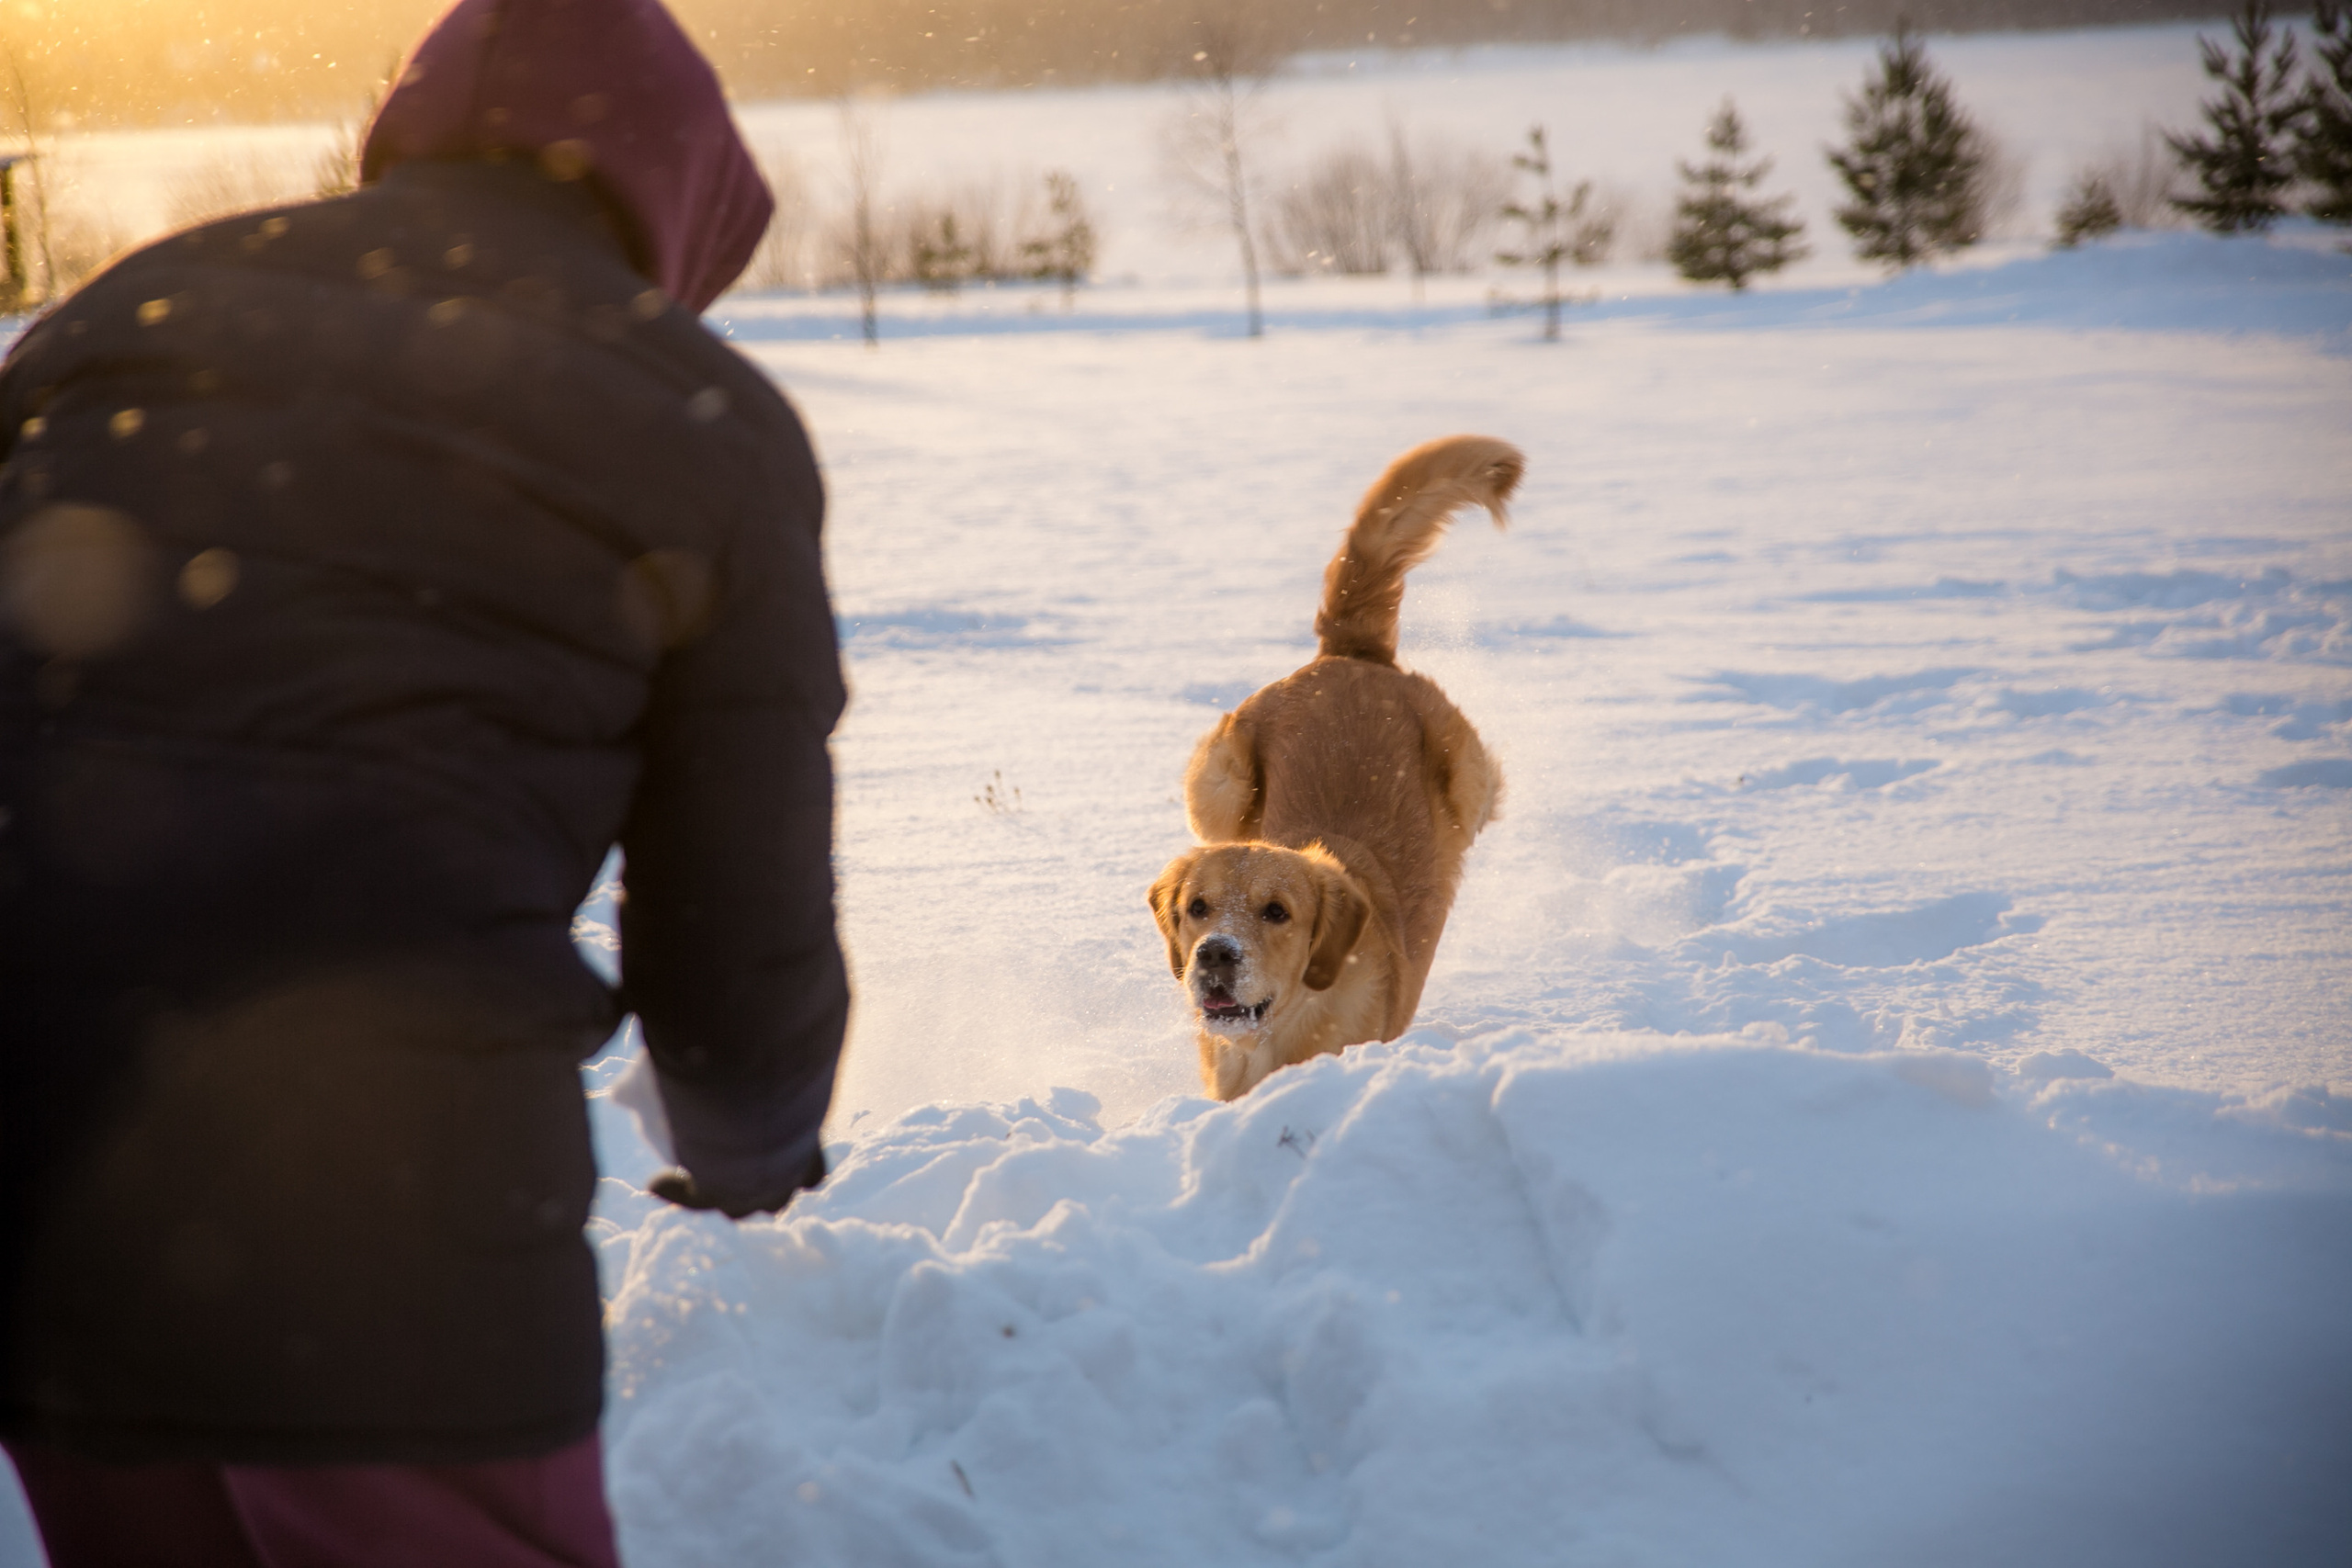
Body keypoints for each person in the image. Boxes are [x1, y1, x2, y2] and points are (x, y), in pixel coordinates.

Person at [0, 0, 848, 1561]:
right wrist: (745, 1148)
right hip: (382, 1182)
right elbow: (737, 902)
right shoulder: (704, 421)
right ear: (681, 193)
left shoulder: (128, 310)